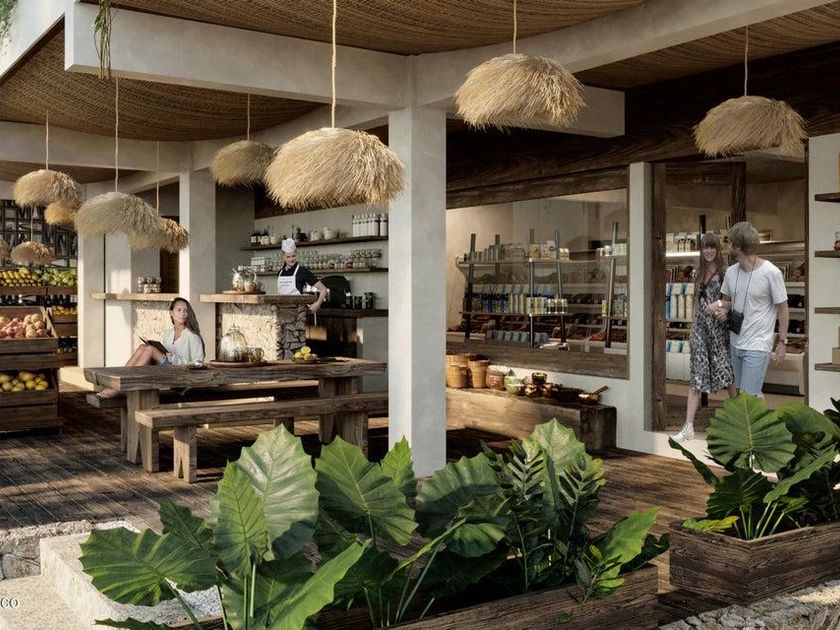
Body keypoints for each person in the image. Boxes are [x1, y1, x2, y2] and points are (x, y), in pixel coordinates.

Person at [707, 221, 789, 398]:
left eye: (730, 242)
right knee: (743, 396)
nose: (728, 246)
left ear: (738, 246)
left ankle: (757, 415)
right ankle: (761, 416)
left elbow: (783, 309)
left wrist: (782, 342)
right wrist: (721, 309)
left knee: (748, 396)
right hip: (735, 342)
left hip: (758, 345)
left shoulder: (771, 273)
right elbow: (727, 302)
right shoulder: (731, 272)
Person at [674, 233, 736, 443]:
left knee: (727, 373)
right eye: (705, 247)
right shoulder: (697, 273)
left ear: (717, 249)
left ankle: (739, 420)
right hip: (700, 329)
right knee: (696, 375)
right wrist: (692, 329)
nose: (709, 251)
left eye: (712, 247)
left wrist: (719, 305)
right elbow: (695, 304)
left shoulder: (726, 273)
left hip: (719, 330)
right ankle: (688, 426)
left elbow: (733, 303)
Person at [97, 297, 205, 398]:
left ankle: (118, 387)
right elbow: (164, 353)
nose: (183, 313)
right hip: (167, 371)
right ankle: (116, 384)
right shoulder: (168, 333)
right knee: (143, 347)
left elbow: (199, 364)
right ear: (171, 313)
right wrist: (162, 352)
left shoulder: (193, 337)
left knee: (150, 349)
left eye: (185, 310)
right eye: (179, 310)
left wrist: (175, 358)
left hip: (182, 379)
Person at [276, 238, 327, 311]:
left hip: (298, 311)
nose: (291, 259)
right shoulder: (280, 273)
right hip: (281, 310)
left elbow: (323, 289)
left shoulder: (302, 271)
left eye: (293, 256)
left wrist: (318, 303)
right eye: (288, 257)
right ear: (283, 256)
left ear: (297, 254)